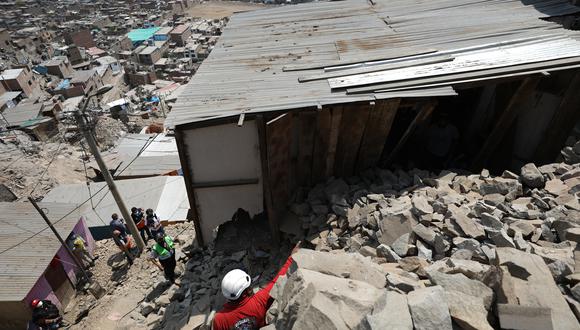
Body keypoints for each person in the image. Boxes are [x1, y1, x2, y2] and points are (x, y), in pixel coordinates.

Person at [212, 244, 298, 330]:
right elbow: (276, 281)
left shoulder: (219, 320)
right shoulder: (259, 301)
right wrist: (291, 258)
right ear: (247, 290)